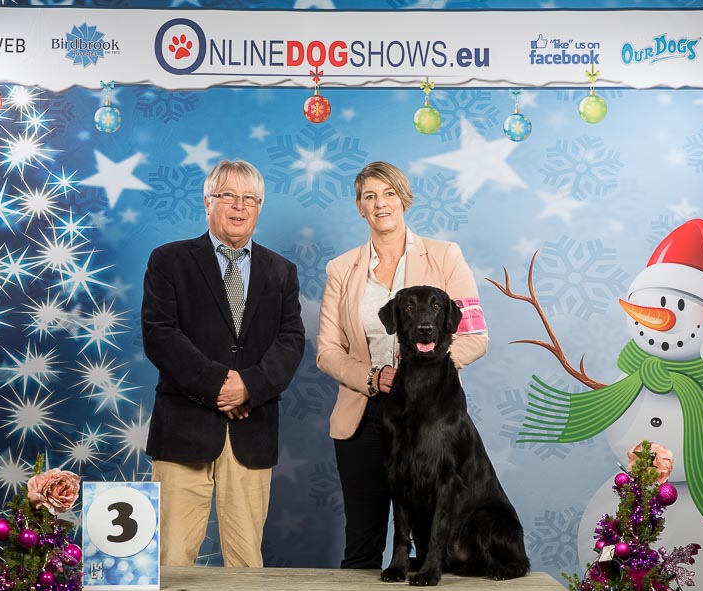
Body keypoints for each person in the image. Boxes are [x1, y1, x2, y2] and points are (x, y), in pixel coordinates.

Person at [316, 161, 489, 569]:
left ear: (404, 199)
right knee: (362, 544)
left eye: (389, 193)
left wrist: (422, 370)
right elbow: (327, 350)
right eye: (370, 196)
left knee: (431, 545)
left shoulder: (445, 256)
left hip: (431, 414)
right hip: (363, 416)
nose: (381, 204)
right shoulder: (341, 269)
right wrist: (374, 378)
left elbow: (475, 337)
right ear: (359, 206)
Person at [142, 159, 305, 568]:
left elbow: (291, 340)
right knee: (172, 559)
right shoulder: (169, 260)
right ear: (207, 201)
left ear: (260, 206)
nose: (239, 206)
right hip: (183, 430)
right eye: (228, 195)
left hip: (252, 432)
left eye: (249, 198)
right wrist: (218, 384)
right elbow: (160, 334)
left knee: (246, 561)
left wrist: (248, 386)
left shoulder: (281, 271)